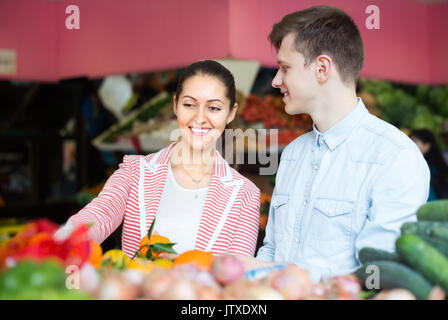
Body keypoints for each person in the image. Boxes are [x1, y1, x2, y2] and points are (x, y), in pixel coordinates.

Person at [236, 6, 430, 283]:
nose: (276, 81)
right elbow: (272, 250)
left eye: (285, 67)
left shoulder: (395, 157)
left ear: (322, 68)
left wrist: (290, 277)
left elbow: (378, 271)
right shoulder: (293, 154)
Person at [55, 60, 261, 258]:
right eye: (189, 104)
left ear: (231, 113)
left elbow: (238, 272)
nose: (199, 117)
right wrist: (63, 239)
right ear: (175, 105)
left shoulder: (245, 195)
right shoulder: (135, 172)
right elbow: (98, 216)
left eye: (214, 108)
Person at [410, 129, 448, 201]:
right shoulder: (437, 164)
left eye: (414, 142)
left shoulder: (426, 166)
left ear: (427, 145)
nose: (410, 145)